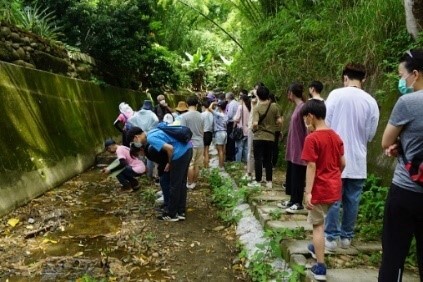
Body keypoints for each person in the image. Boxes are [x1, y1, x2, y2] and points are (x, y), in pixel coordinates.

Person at [324, 63, 379, 251]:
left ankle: (330, 238)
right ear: (363, 79)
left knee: (333, 198)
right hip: (357, 159)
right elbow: (371, 134)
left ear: (345, 78)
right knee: (352, 199)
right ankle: (346, 238)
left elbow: (326, 125)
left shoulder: (335, 95)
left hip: (334, 158)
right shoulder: (371, 101)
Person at [379, 49, 423, 281]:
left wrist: (398, 143)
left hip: (406, 190)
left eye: (401, 75)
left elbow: (386, 141)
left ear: (414, 74)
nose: (401, 80)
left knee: (394, 257)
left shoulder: (408, 102)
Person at [300, 99, 345, 281]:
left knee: (318, 226)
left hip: (319, 188)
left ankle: (320, 267)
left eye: (306, 118)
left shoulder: (312, 138)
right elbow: (342, 163)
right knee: (324, 219)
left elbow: (311, 166)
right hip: (334, 187)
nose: (305, 122)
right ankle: (315, 247)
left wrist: (308, 192)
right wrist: (334, 176)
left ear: (310, 116)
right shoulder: (335, 136)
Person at [128, 126, 193, 221]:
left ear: (136, 137)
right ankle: (180, 211)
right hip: (187, 149)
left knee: (174, 185)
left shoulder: (150, 138)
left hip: (179, 154)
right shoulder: (153, 131)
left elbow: (170, 148)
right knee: (181, 183)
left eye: (133, 141)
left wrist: (170, 163)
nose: (136, 143)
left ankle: (172, 214)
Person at [278, 83, 307, 212]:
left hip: (300, 148)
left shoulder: (303, 108)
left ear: (292, 93)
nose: (288, 95)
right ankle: (292, 200)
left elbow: (307, 129)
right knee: (292, 175)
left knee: (298, 175)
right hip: (293, 148)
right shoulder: (297, 107)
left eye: (288, 92)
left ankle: (298, 202)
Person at [127, 127, 170, 213]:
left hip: (168, 166)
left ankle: (168, 206)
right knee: (164, 183)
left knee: (166, 184)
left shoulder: (150, 148)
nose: (139, 156)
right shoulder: (148, 147)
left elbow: (162, 160)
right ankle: (167, 203)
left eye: (138, 154)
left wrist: (161, 170)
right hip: (167, 165)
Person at [248, 85, 282, 188]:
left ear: (258, 95)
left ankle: (258, 181)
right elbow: (279, 121)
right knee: (268, 159)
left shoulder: (256, 108)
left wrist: (254, 129)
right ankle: (269, 182)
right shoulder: (274, 106)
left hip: (259, 136)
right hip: (270, 137)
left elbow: (255, 123)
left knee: (258, 158)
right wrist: (274, 126)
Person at [127, 100, 160, 182]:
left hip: (138, 135)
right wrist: (151, 127)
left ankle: (143, 172)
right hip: (147, 135)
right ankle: (150, 175)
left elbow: (129, 120)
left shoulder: (137, 113)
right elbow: (156, 120)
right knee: (149, 155)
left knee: (141, 154)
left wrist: (137, 126)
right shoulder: (151, 113)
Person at [179, 95, 204, 189]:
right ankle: (194, 182)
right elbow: (203, 130)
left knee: (190, 164)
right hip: (200, 142)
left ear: (186, 104)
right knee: (197, 165)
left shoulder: (184, 117)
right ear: (197, 104)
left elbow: (182, 131)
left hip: (190, 143)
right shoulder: (201, 116)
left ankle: (189, 183)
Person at [209, 100, 228, 169]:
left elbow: (210, 109)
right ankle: (223, 164)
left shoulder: (218, 114)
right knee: (223, 150)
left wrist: (213, 103)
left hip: (219, 132)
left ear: (220, 107)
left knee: (220, 150)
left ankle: (220, 166)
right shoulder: (225, 115)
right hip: (225, 132)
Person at [233, 93, 251, 163]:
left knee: (239, 147)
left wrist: (234, 118)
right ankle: (246, 162)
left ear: (242, 100)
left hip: (241, 131)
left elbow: (236, 118)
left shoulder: (241, 107)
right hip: (248, 130)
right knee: (246, 148)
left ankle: (238, 163)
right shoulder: (250, 107)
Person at [269, 93, 283, 168]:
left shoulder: (270, 107)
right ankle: (274, 163)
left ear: (270, 99)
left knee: (269, 146)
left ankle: (268, 163)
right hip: (277, 129)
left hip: (270, 130)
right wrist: (280, 129)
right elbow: (281, 119)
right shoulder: (279, 107)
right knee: (275, 146)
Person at [225, 92, 239, 162]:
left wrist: (225, 121)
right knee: (234, 140)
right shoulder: (237, 103)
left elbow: (229, 115)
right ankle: (235, 155)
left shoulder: (231, 104)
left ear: (228, 98)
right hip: (237, 122)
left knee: (230, 140)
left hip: (231, 123)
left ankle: (230, 157)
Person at [201, 98, 214, 168]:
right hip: (210, 133)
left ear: (203, 106)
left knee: (203, 150)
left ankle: (204, 165)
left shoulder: (202, 114)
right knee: (207, 150)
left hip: (204, 133)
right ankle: (207, 165)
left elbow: (201, 125)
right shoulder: (211, 114)